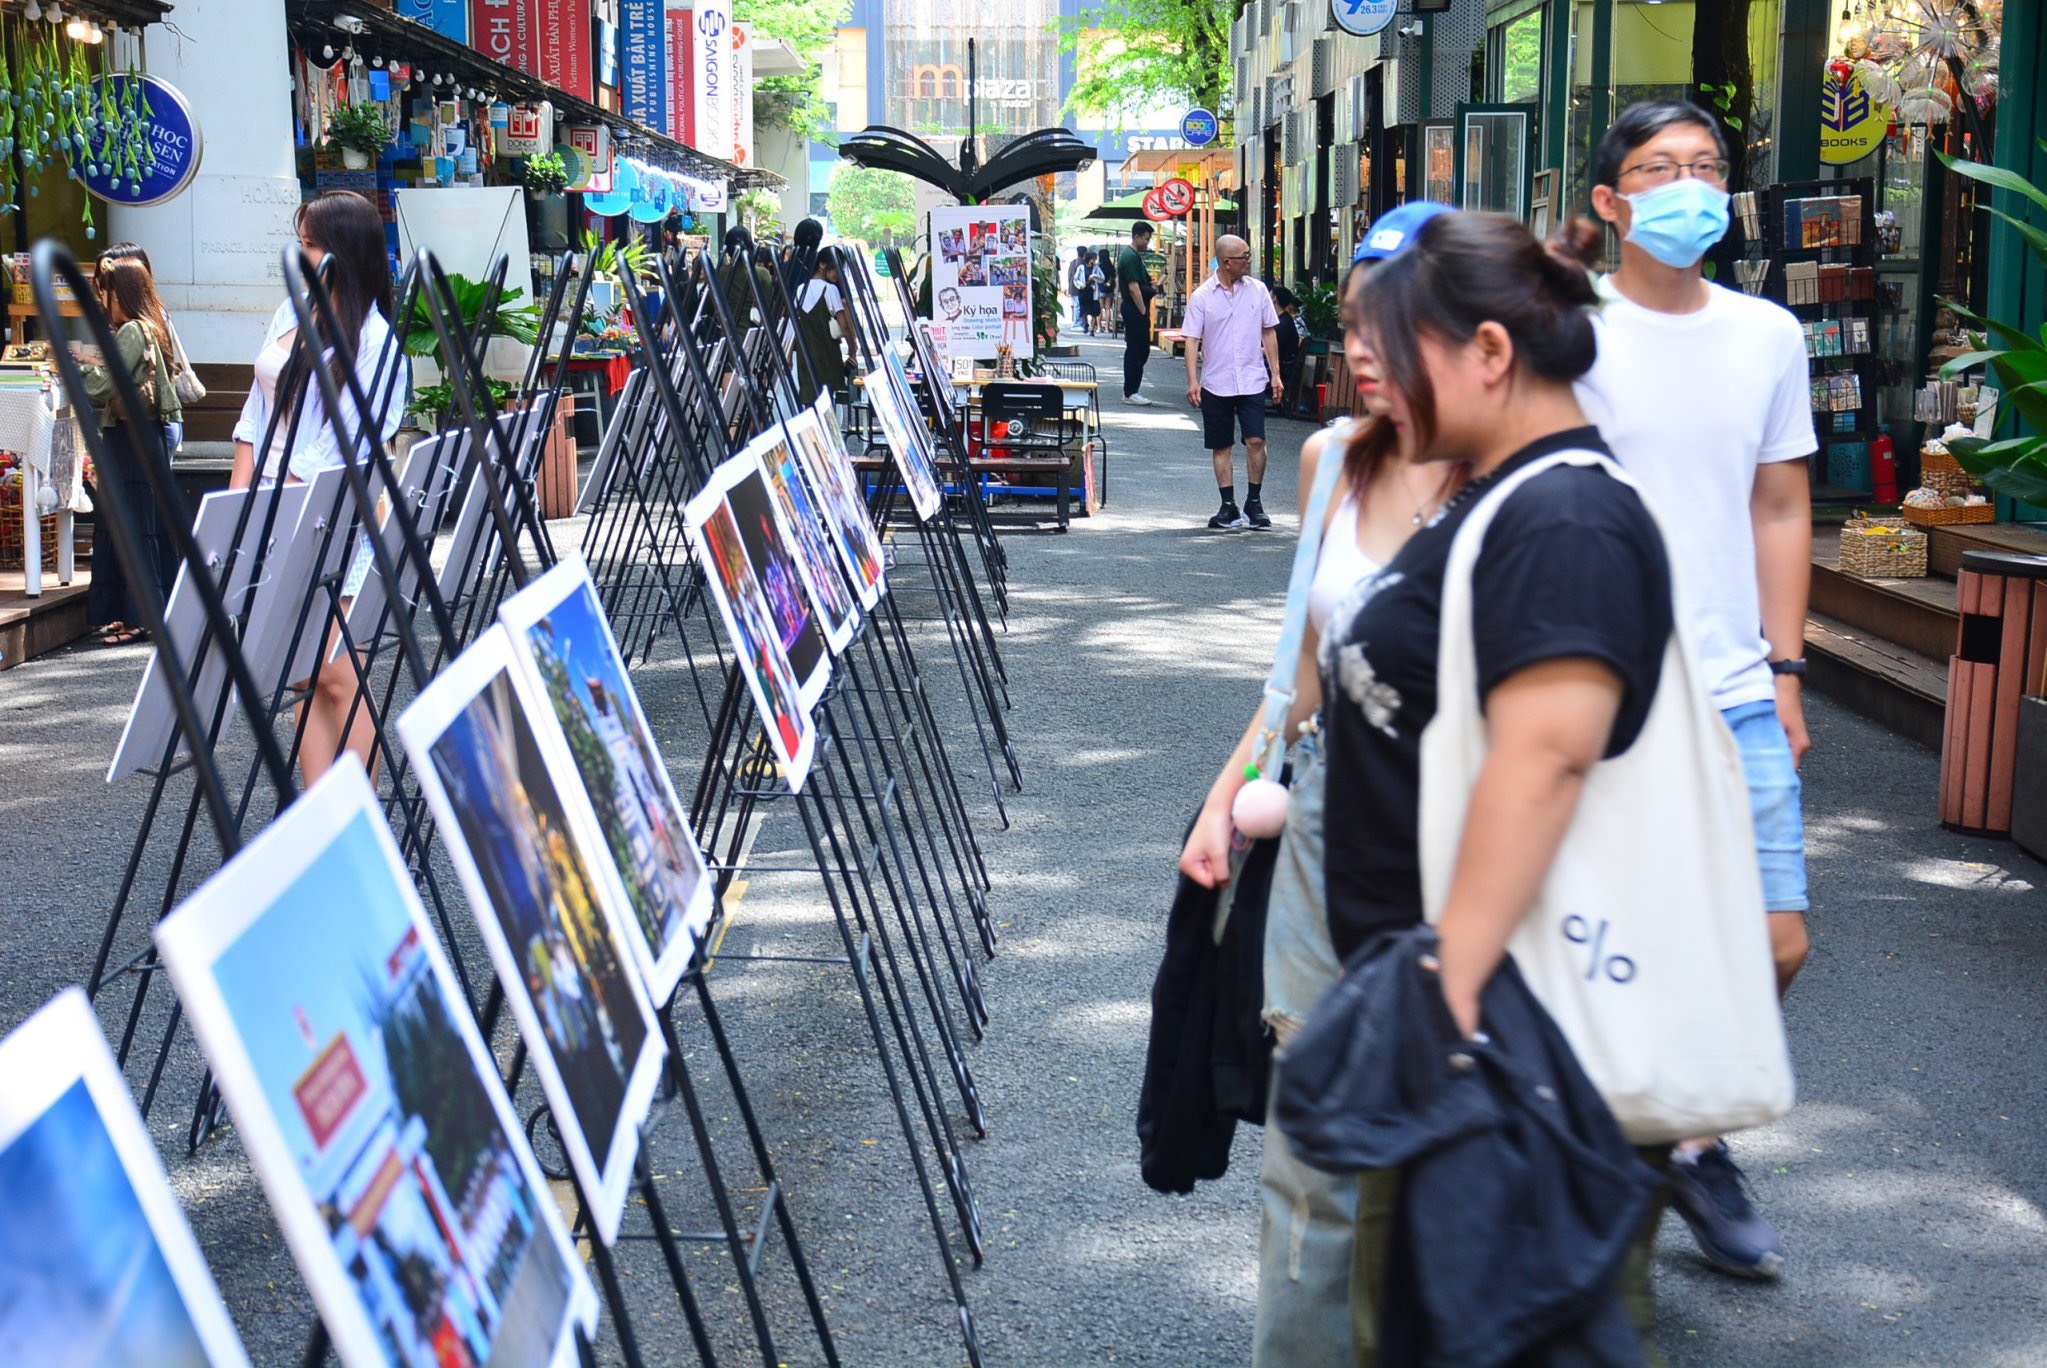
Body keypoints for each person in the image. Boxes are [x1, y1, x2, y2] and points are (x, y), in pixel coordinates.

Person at [1322, 209, 1678, 1359]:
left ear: (1486, 351)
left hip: (1515, 1037)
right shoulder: (1502, 491)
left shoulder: (1564, 513)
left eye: (1393, 346)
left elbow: (1545, 755)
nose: (1370, 371)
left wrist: (1448, 986)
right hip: (1471, 1025)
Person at [1179, 202, 1458, 1368]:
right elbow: (1297, 665)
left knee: (1443, 1154)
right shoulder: (1331, 460)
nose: (1354, 349)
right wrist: (1223, 793)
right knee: (1313, 1143)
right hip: (1330, 826)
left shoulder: (1532, 481)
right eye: (1348, 323)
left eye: (1385, 325)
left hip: (1470, 835)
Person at [1575, 98, 1815, 1280]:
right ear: (1609, 202)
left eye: (1708, 166)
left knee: (1773, 940)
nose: (1690, 186)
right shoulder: (1564, 326)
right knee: (1608, 927)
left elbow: (1778, 503)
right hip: (1594, 685)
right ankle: (1680, 1137)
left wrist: (1786, 666)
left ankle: (1670, 1124)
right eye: (1660, 168)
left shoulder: (1767, 334)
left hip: (1730, 684)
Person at [230, 191, 406, 786]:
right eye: (300, 241)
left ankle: (358, 822)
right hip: (266, 503)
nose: (299, 254)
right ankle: (318, 817)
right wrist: (240, 501)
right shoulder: (293, 311)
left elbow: (346, 446)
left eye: (310, 243)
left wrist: (275, 504)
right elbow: (254, 415)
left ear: (345, 252)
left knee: (334, 669)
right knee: (299, 673)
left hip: (325, 514)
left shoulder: (378, 342)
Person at [79, 256, 184, 645]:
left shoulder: (131, 331)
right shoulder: (150, 325)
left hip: (130, 439)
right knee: (142, 523)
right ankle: (144, 613)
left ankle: (138, 618)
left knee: (132, 524)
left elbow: (109, 384)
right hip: (145, 435)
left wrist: (78, 370)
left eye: (106, 291)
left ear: (120, 293)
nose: (103, 298)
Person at [1181, 235, 1285, 530]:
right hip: (1216, 381)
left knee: (1256, 440)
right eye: (1245, 256)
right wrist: (1192, 380)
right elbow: (1192, 340)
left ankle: (1254, 501)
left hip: (1252, 379)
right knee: (1221, 444)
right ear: (1228, 263)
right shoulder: (1202, 296)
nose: (1249, 261)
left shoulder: (1258, 290)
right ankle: (1228, 505)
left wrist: (1275, 373)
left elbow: (1268, 332)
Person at [794, 245, 858, 402]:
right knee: (828, 403)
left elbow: (794, 326)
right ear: (822, 264)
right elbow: (844, 325)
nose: (837, 272)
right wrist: (852, 348)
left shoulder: (800, 289)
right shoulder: (830, 290)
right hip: (828, 356)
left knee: (810, 405)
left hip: (805, 357)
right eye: (835, 267)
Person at [1118, 222, 1158, 403]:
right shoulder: (1130, 257)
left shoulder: (1133, 256)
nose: (1147, 243)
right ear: (1137, 237)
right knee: (1136, 349)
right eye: (1146, 239)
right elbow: (1133, 287)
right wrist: (1142, 310)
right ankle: (1131, 391)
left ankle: (1133, 389)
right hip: (1135, 308)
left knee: (1141, 349)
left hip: (1136, 307)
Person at [1271, 285, 1303, 416]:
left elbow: (1272, 348)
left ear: (1274, 299)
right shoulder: (1283, 320)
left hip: (1282, 367)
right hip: (1283, 364)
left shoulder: (1283, 323)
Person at [1066, 245, 1091, 330]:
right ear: (1085, 253)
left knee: (1075, 305)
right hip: (1078, 288)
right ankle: (1077, 323)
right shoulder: (1082, 264)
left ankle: (1075, 321)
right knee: (1078, 306)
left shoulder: (1073, 262)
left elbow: (1069, 275)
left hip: (1072, 287)